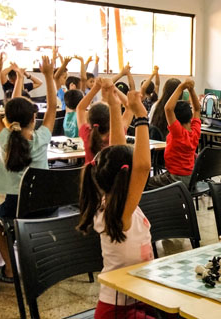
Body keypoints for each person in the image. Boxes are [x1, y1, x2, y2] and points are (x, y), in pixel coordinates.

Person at [76, 88, 154, 319]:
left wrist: (112, 105)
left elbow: (118, 149)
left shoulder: (113, 200)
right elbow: (142, 167)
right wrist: (141, 117)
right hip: (119, 310)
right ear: (127, 177)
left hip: (136, 298)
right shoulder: (120, 212)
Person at [0, 50, 57, 283]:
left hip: (16, 208)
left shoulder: (5, 138)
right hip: (46, 206)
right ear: (34, 119)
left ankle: (10, 269)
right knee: (17, 215)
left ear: (7, 119)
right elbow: (54, 106)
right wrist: (49, 76)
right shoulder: (42, 138)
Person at [146, 78, 201, 189]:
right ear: (190, 117)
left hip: (175, 179)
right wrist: (191, 89)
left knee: (144, 184)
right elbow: (197, 109)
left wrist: (181, 87)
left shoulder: (178, 133)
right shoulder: (195, 131)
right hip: (190, 178)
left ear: (176, 119)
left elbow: (168, 109)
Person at [77, 78, 133, 163]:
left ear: (89, 120)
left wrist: (96, 88)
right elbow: (129, 107)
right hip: (111, 176)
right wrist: (113, 88)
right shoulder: (118, 133)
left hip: (90, 175)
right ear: (111, 120)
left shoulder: (87, 134)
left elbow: (80, 108)